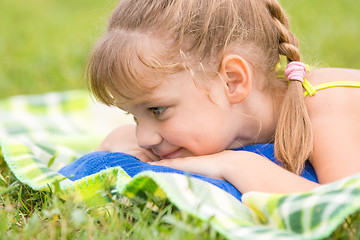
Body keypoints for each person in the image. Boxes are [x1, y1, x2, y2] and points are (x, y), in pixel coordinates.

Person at [87, 0, 360, 194]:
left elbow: (345, 212)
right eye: (134, 116)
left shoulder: (328, 106)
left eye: (157, 110)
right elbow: (113, 143)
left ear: (232, 81)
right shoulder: (222, 118)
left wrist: (236, 164)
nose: (144, 138)